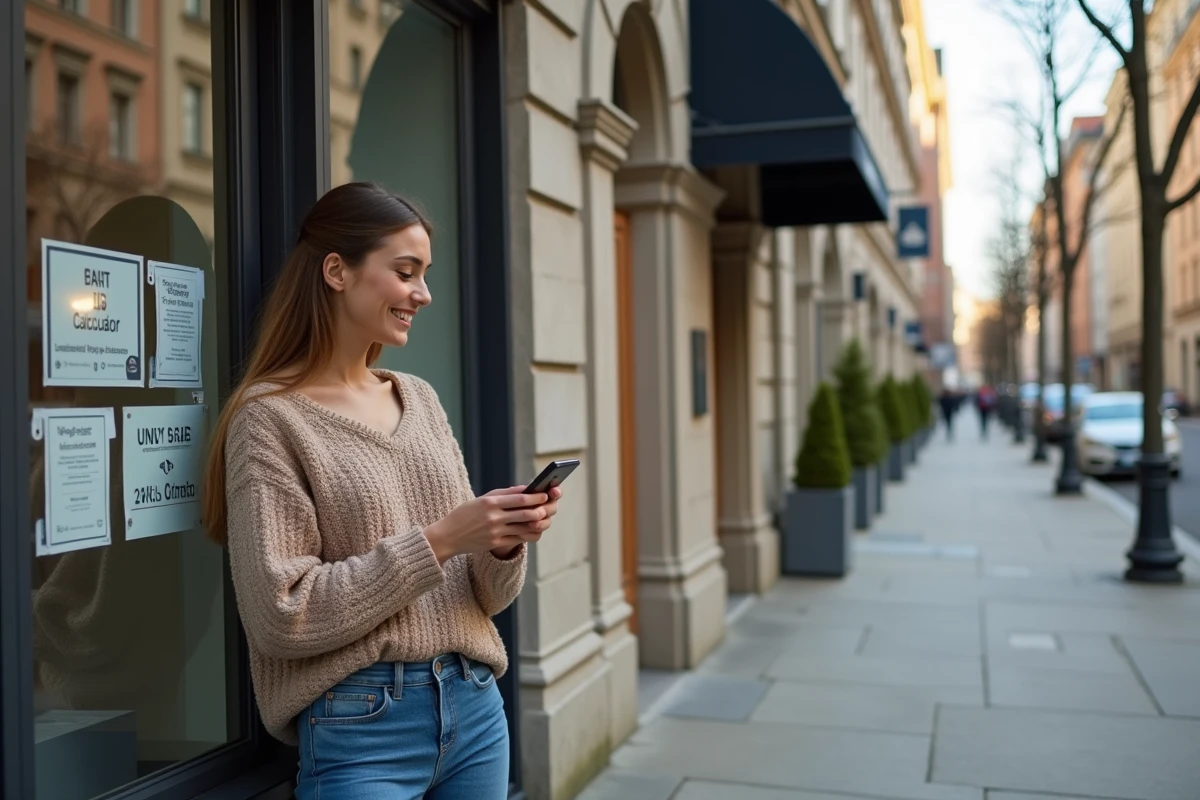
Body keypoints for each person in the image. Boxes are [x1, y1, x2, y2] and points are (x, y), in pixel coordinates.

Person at [201, 182, 561, 799]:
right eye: (405, 272)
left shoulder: (418, 397)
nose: (422, 294)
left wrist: (500, 543)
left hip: (475, 705)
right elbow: (281, 614)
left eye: (424, 274)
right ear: (337, 271)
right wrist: (443, 539)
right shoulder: (270, 419)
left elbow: (486, 597)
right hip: (361, 725)